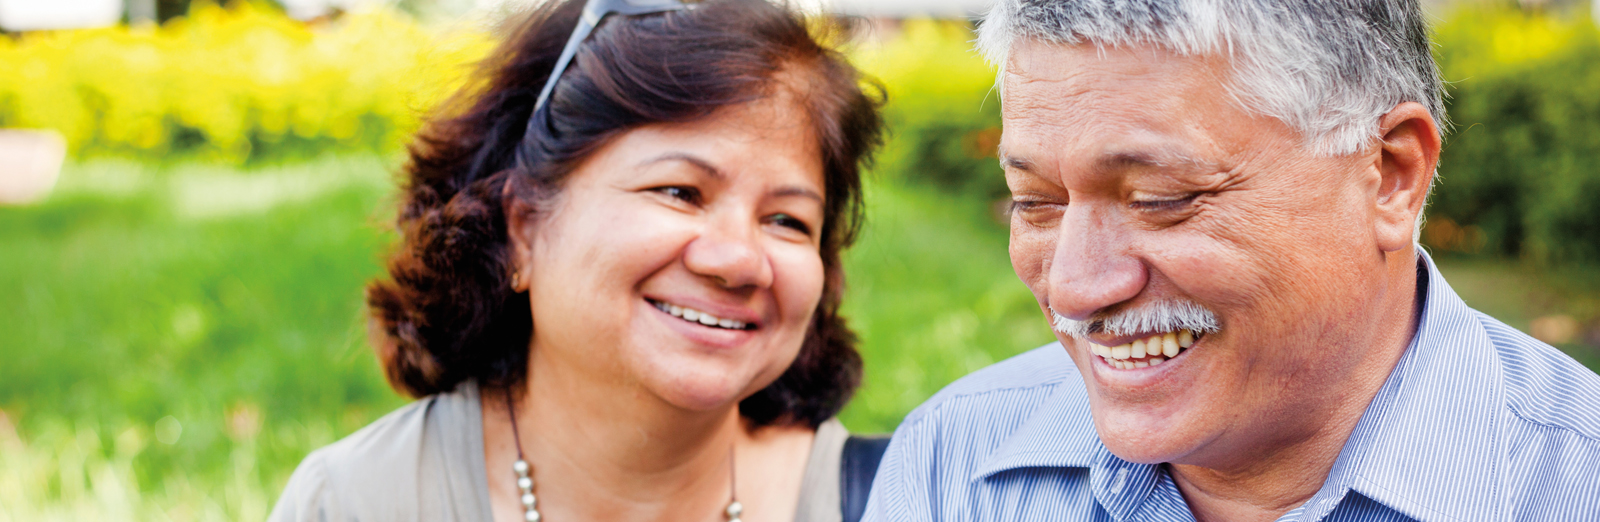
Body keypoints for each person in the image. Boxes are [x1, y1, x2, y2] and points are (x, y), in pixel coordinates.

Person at [865, 1, 1600, 521]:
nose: (1075, 286)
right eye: (1035, 203)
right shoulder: (951, 464)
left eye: (1159, 197)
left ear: (1391, 174)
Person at [267, 0, 891, 521]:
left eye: (787, 220)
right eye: (679, 192)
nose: (737, 260)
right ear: (523, 228)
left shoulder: (901, 496)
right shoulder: (354, 501)